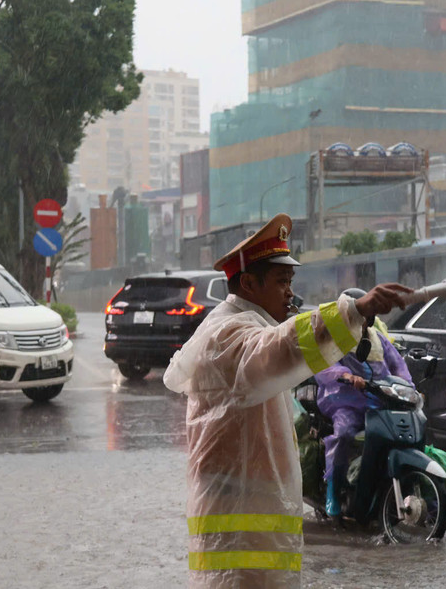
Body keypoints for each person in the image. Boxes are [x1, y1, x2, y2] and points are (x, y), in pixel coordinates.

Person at [163, 214, 411, 589]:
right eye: (281, 282)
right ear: (248, 283)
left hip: (252, 536)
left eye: (291, 283)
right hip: (238, 545)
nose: (290, 294)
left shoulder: (242, 325)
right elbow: (281, 347)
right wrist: (353, 312)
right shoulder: (227, 334)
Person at [312, 289, 413, 518]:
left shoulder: (379, 339)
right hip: (344, 401)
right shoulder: (335, 337)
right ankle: (333, 489)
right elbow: (323, 365)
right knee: (344, 433)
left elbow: (398, 368)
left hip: (379, 401)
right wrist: (346, 375)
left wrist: (410, 390)